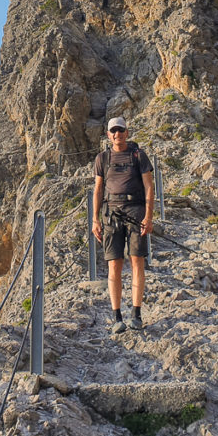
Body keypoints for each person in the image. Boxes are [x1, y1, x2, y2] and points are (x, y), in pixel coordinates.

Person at [92, 116, 154, 333]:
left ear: (127, 132)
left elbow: (149, 186)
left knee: (137, 261)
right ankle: (117, 317)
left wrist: (149, 216)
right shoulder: (102, 158)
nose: (117, 134)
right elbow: (98, 190)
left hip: (135, 212)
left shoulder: (139, 156)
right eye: (113, 131)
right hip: (111, 215)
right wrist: (95, 219)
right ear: (109, 135)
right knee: (114, 265)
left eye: (120, 130)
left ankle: (136, 314)